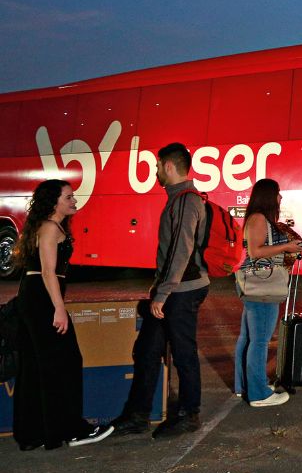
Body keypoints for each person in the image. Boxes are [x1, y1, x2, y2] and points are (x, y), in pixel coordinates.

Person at [111, 143, 212, 438]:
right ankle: (138, 414)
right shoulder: (178, 199)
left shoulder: (185, 201)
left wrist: (163, 292)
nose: (155, 171)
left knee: (183, 353)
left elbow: (181, 250)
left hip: (183, 290)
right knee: (147, 351)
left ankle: (188, 414)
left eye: (157, 166)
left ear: (169, 166)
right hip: (174, 289)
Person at [11, 180, 113, 450]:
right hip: (41, 299)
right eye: (68, 197)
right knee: (65, 362)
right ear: (53, 202)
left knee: (36, 366)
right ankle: (71, 430)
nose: (74, 201)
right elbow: (47, 272)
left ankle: (34, 434)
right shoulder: (48, 228)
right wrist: (59, 308)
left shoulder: (50, 226)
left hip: (35, 298)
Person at [231, 179, 302, 407]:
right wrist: (286, 247)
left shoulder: (256, 218)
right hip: (263, 288)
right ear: (269, 196)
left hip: (255, 288)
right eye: (278, 193)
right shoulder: (259, 218)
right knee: (259, 341)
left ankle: (246, 386)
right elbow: (255, 251)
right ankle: (259, 393)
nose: (281, 198)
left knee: (249, 338)